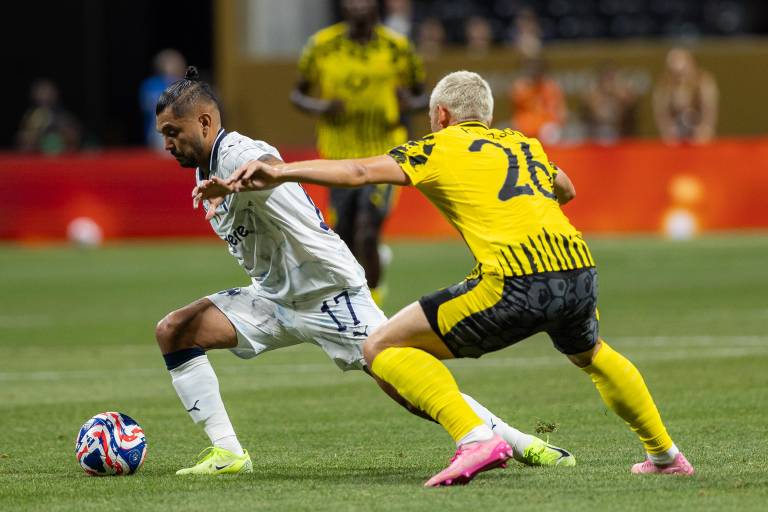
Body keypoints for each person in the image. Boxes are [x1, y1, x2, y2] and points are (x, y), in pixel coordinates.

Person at [199, 70, 695, 487]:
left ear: (440, 116)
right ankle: (668, 457)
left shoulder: (439, 146)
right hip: (577, 268)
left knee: (382, 348)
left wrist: (281, 171)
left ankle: (476, 439)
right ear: (488, 114)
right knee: (593, 355)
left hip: (516, 278)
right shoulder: (524, 144)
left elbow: (356, 172)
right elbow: (566, 187)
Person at [155, 66, 575, 475]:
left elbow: (263, 162)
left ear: (206, 122)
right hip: (273, 297)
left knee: (407, 387)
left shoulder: (237, 155)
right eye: (163, 135)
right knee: (175, 331)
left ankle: (522, 443)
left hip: (329, 294)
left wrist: (238, 182)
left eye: (173, 132)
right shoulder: (204, 168)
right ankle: (228, 453)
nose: (168, 143)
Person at [291, 0, 427, 305]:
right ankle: (358, 289)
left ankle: (373, 303)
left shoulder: (398, 47)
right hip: (339, 154)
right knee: (344, 233)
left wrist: (409, 103)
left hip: (384, 152)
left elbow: (424, 95)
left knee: (367, 227)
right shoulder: (321, 46)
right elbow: (297, 93)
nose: (358, 5)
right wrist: (321, 107)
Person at [653, 47, 718, 144]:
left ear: (691, 64)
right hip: (675, 129)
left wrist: (706, 128)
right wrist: (667, 131)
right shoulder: (664, 85)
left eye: (683, 71)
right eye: (676, 75)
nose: (681, 78)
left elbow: (709, 109)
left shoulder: (703, 82)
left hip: (698, 127)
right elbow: (661, 113)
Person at [509, 58, 566, 145]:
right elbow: (516, 107)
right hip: (525, 127)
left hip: (546, 129)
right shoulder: (521, 87)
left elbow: (560, 111)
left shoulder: (551, 87)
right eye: (532, 70)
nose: (535, 73)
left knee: (550, 133)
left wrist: (557, 122)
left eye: (537, 70)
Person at [16, 79, 81, 154]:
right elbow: (23, 137)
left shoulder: (63, 114)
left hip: (61, 153)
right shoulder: (31, 115)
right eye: (41, 92)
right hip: (37, 153)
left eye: (47, 93)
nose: (44, 96)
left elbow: (74, 135)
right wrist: (33, 135)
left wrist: (62, 133)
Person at [139, 49, 186, 150]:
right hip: (159, 133)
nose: (175, 66)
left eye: (177, 63)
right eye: (171, 63)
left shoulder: (186, 85)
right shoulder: (151, 85)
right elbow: (148, 107)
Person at [581, 62, 639, 144]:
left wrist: (616, 92)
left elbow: (631, 100)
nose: (608, 82)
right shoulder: (594, 93)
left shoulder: (621, 92)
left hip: (620, 135)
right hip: (596, 134)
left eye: (611, 78)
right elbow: (588, 104)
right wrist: (602, 95)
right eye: (606, 77)